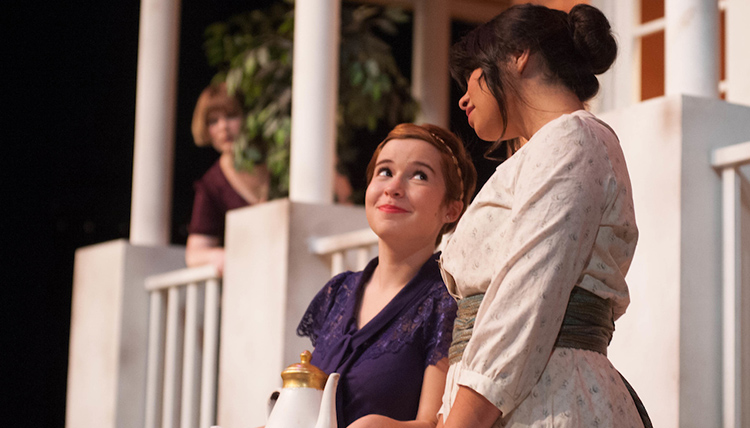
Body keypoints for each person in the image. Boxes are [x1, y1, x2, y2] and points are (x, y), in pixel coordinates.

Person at [437, 4, 651, 428]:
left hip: (548, 398)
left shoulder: (573, 138)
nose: (463, 97)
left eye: (474, 74)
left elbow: (527, 292)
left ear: (519, 53)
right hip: (515, 395)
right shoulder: (548, 148)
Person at [297, 123, 478, 428]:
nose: (393, 187)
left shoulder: (446, 301)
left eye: (419, 175)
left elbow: (436, 423)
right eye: (384, 171)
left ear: (452, 209)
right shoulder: (338, 291)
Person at [186, 83, 271, 274]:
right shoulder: (212, 183)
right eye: (213, 121)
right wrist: (221, 256)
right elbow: (194, 253)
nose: (223, 127)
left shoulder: (279, 159)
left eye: (231, 116)